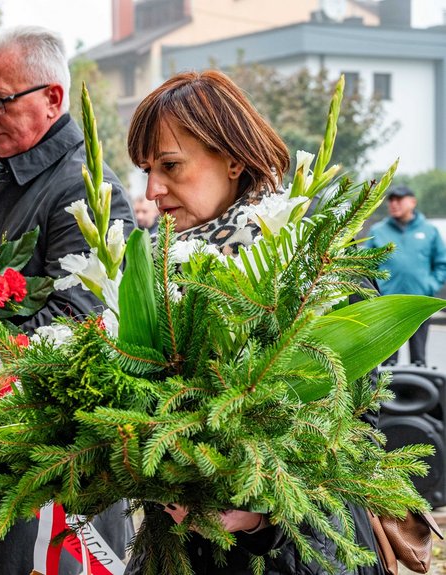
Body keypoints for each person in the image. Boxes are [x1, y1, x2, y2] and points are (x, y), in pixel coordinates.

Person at [123, 70, 383, 575]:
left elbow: (359, 436)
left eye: (171, 166)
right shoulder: (152, 270)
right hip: (176, 552)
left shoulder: (311, 266)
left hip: (297, 556)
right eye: (146, 169)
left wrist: (260, 515)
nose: (153, 189)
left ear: (234, 159)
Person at [0, 25, 135, 575]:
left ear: (53, 98)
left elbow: (80, 321)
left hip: (52, 464)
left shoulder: (84, 187)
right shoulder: (10, 177)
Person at [368, 185, 446, 367]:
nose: (394, 204)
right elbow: (367, 266)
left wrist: (430, 285)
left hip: (419, 303)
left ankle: (418, 393)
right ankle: (385, 395)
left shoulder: (429, 231)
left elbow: (442, 263)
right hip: (388, 304)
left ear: (412, 202)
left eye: (399, 199)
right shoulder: (378, 231)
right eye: (391, 200)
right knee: (387, 361)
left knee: (419, 359)